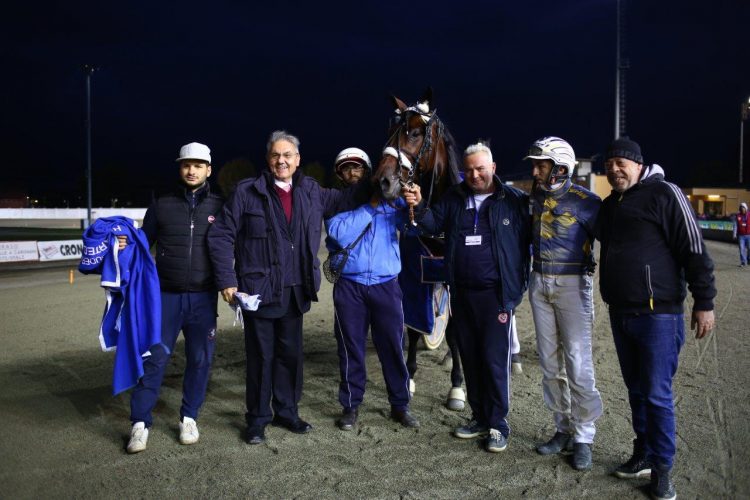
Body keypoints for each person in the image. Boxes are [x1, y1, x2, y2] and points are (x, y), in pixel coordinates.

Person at [207, 130, 368, 445]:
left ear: (297, 160)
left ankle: (287, 412)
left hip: (296, 291)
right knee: (261, 358)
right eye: (276, 155)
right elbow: (221, 234)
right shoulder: (246, 192)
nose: (281, 160)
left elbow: (348, 198)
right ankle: (257, 420)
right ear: (268, 159)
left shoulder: (312, 191)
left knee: (290, 356)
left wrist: (383, 171)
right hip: (260, 291)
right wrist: (227, 279)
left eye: (288, 155)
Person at [597, 137, 716, 500]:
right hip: (621, 314)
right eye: (609, 165)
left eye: (622, 163)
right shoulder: (609, 206)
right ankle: (644, 452)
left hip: (658, 316)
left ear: (637, 163)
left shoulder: (665, 194)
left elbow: (694, 247)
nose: (615, 170)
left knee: (657, 394)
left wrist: (704, 301)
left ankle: (663, 470)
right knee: (636, 390)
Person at [403, 141, 531, 453]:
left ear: (493, 169)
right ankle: (479, 418)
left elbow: (530, 242)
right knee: (471, 359)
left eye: (480, 169)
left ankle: (498, 425)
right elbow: (430, 224)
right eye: (469, 170)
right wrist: (418, 204)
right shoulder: (455, 198)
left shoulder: (514, 201)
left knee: (493, 361)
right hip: (461, 294)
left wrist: (517, 285)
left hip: (495, 297)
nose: (474, 175)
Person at [124, 142, 224, 454]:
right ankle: (140, 424)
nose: (191, 170)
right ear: (179, 168)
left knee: (200, 360)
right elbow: (142, 244)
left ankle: (189, 417)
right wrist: (121, 247)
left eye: (198, 165)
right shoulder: (162, 204)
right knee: (153, 360)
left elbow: (232, 246)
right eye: (186, 165)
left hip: (203, 299)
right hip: (164, 298)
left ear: (209, 169)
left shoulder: (221, 206)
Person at [523, 136, 603, 470]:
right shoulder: (534, 196)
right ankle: (562, 428)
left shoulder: (589, 202)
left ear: (560, 167)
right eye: (536, 164)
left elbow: (616, 242)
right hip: (539, 281)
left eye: (542, 164)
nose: (536, 170)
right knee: (550, 363)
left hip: (573, 285)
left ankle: (584, 434)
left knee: (578, 363)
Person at [326, 183, 418, 431]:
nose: (352, 174)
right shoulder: (336, 202)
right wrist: (371, 206)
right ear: (339, 174)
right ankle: (351, 405)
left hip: (385, 285)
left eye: (357, 168)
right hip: (350, 285)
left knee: (393, 346)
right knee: (349, 348)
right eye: (345, 169)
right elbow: (339, 233)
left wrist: (414, 203)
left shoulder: (392, 201)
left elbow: (411, 225)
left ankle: (400, 404)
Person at [733, 202, 749, 267]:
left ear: (746, 208)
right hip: (741, 235)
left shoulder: (749, 215)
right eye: (741, 208)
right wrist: (734, 234)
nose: (742, 209)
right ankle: (743, 262)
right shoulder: (738, 216)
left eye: (743, 208)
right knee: (741, 249)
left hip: (749, 235)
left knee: (749, 248)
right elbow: (735, 225)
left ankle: (748, 260)